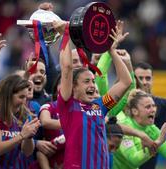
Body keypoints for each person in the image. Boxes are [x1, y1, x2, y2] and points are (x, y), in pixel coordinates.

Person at [56, 18, 131, 169]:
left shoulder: (100, 106)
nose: (92, 85)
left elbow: (125, 82)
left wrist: (111, 50)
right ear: (74, 88)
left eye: (92, 81)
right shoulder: (68, 104)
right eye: (86, 81)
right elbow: (67, 68)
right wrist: (65, 36)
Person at [113, 89, 166, 169]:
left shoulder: (151, 129)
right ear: (135, 111)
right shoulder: (125, 126)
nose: (153, 110)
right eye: (148, 107)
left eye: (154, 106)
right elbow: (134, 160)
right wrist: (158, 142)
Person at [0, 74, 41, 168]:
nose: (24, 102)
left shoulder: (24, 115)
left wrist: (29, 136)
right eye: (21, 97)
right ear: (8, 95)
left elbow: (27, 152)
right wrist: (21, 136)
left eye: (25, 97)